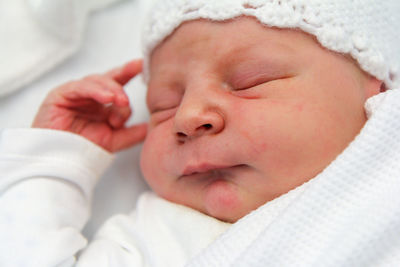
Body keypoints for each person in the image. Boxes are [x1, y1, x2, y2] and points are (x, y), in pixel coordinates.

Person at [1, 0, 400, 266]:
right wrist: (52, 165)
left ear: (377, 89)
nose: (187, 116)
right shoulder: (153, 236)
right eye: (162, 105)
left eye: (249, 81)